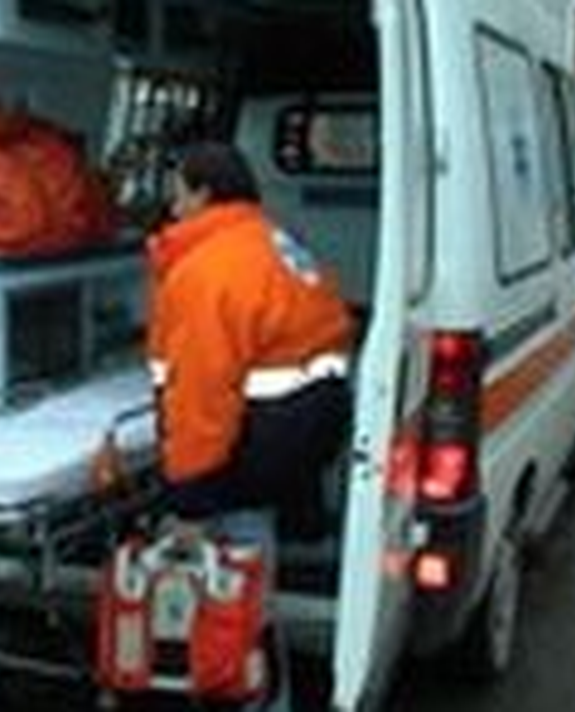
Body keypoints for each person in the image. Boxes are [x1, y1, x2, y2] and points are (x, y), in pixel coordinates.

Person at [146, 142, 355, 709]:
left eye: (179, 193)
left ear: (204, 193)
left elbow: (201, 400)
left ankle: (251, 691)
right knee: (252, 566)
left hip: (254, 451)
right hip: (302, 434)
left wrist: (188, 505)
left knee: (235, 592)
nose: (172, 206)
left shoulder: (206, 272)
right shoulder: (275, 243)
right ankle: (261, 684)